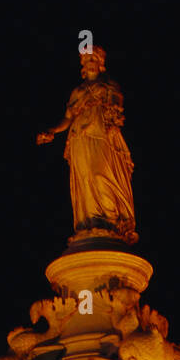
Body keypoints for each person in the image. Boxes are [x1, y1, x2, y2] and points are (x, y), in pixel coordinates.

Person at [37, 46, 137, 242]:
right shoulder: (78, 91)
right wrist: (52, 131)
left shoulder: (109, 86)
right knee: (85, 178)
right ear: (83, 65)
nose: (90, 61)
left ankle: (110, 222)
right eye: (87, 59)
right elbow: (67, 118)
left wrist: (112, 120)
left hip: (101, 134)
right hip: (79, 137)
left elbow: (116, 111)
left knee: (101, 174)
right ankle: (90, 222)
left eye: (93, 58)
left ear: (100, 62)